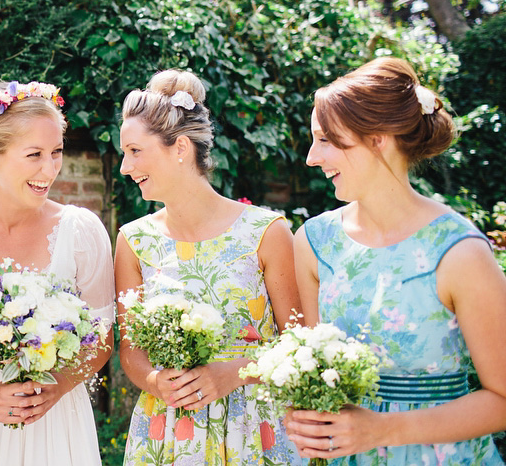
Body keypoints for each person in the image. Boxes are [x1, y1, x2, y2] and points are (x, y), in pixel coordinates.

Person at [285, 57, 506, 464]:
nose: (311, 158)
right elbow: (315, 369)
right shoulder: (314, 243)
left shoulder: (459, 252)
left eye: (327, 139)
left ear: (377, 139)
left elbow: (502, 399)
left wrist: (383, 430)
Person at [115, 69, 302, 465]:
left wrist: (237, 371)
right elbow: (130, 352)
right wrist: (154, 381)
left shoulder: (266, 232)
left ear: (180, 147)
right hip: (167, 435)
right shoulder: (133, 241)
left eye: (134, 151)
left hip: (255, 431)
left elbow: (299, 343)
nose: (124, 168)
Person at [0, 81, 115, 466]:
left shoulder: (81, 230)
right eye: (34, 154)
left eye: (56, 152)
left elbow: (104, 334)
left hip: (58, 422)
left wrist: (57, 387)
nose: (49, 169)